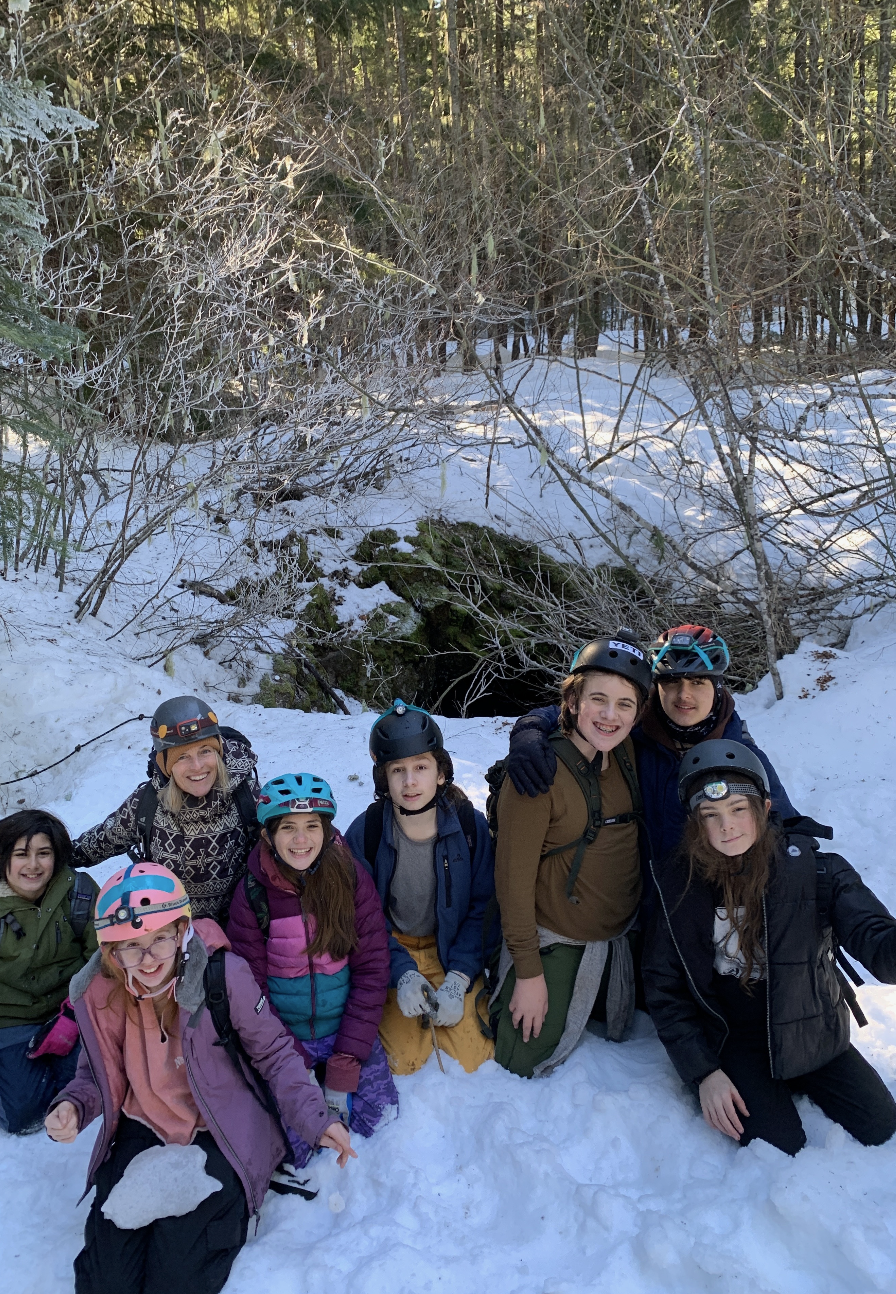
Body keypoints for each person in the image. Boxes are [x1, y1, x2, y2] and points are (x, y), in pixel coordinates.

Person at [45, 860, 354, 1294]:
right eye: (130, 946)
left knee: (178, 1277)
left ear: (182, 931)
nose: (148, 958)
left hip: (216, 1129)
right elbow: (96, 1075)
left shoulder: (222, 976)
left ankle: (229, 1217)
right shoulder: (101, 993)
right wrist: (73, 1105)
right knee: (106, 1280)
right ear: (111, 952)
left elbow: (275, 1051)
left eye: (160, 940)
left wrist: (316, 1118)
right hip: (143, 1129)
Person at [642, 739, 896, 1155]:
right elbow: (664, 986)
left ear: (764, 807)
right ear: (695, 822)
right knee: (778, 1145)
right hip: (737, 1039)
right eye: (711, 815)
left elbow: (877, 942)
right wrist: (704, 1072)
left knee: (881, 1125)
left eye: (738, 809)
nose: (727, 826)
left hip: (812, 1029)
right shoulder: (679, 886)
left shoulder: (817, 869)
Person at [490, 633, 650, 1078]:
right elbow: (512, 881)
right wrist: (528, 973)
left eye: (624, 704)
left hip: (624, 933)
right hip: (557, 934)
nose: (609, 715)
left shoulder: (628, 752)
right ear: (574, 700)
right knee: (519, 1053)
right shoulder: (537, 772)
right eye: (598, 699)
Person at [227, 773, 396, 1195]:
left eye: (311, 827)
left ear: (327, 829)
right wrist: (294, 1061)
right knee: (295, 1148)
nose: (301, 840)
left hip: (346, 1028)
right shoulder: (253, 892)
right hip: (286, 1039)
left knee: (379, 1120)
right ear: (269, 834)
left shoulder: (350, 878)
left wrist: (347, 1058)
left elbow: (373, 968)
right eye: (288, 828)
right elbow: (253, 994)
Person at [504, 624, 798, 863]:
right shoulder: (632, 732)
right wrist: (529, 728)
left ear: (717, 688)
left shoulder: (741, 753)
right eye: (671, 682)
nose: (684, 695)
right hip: (640, 906)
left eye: (697, 682)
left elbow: (789, 829)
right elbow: (580, 711)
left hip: (709, 907)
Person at [344, 700, 495, 1075]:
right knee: (403, 1060)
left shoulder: (469, 828)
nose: (410, 782)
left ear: (441, 773)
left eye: (421, 768)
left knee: (473, 1057)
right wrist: (401, 972)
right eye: (398, 770)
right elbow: (363, 919)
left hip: (452, 951)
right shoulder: (367, 833)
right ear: (384, 778)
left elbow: (483, 908)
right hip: (394, 949)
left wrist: (460, 978)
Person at [73, 696, 260, 922]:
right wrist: (46, 854)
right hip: (168, 935)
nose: (198, 766)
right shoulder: (147, 803)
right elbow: (99, 843)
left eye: (205, 751)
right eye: (182, 756)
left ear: (218, 751)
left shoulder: (246, 793)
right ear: (165, 766)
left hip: (240, 932)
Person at [0, 809, 97, 1134]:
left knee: (85, 1086)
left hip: (69, 1010)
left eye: (44, 853)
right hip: (11, 1019)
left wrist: (72, 1013)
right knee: (25, 1115)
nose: (33, 865)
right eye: (21, 854)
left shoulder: (79, 892)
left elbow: (103, 959)